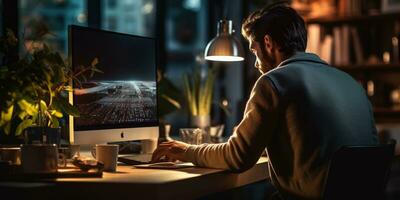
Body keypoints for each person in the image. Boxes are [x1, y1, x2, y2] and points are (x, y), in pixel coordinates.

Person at [151, 3, 378, 200]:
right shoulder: (350, 82)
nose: (255, 62)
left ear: (268, 43)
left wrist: (186, 151)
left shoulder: (274, 81)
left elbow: (237, 157)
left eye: (254, 50)